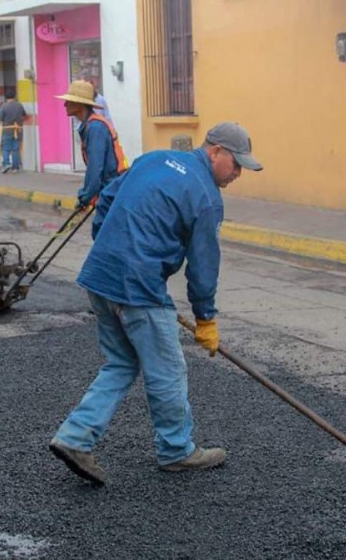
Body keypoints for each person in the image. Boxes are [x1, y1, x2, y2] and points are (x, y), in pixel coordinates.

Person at [49, 122, 263, 485]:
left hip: (100, 275)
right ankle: (177, 450)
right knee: (167, 371)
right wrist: (205, 318)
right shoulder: (206, 196)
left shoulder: (153, 159)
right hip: (139, 287)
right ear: (215, 151)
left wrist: (111, 244)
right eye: (236, 164)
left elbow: (107, 200)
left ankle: (74, 437)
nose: (238, 173)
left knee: (121, 362)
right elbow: (203, 266)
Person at [55, 80, 127, 207]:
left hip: (112, 190)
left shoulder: (95, 128)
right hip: (109, 189)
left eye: (69, 101)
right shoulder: (89, 126)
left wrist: (86, 196)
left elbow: (95, 167)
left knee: (100, 226)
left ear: (80, 105)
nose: (65, 105)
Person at [0, 88, 26, 173]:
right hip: (17, 130)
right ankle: (15, 167)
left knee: (5, 148)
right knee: (16, 149)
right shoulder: (19, 105)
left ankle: (6, 164)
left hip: (7, 130)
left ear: (6, 97)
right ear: (15, 96)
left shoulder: (4, 107)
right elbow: (24, 116)